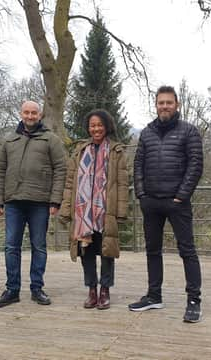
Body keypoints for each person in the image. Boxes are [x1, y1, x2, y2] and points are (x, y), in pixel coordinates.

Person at [128, 85, 204, 323]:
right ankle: (154, 296)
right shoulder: (147, 133)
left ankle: (193, 301)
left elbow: (195, 166)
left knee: (187, 251)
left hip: (177, 203)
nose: (164, 106)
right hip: (151, 202)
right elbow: (138, 165)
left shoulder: (189, 131)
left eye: (168, 102)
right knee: (152, 250)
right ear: (156, 105)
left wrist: (181, 196)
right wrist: (141, 194)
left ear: (177, 104)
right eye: (161, 103)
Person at [0, 100, 66, 307]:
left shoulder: (51, 139)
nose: (30, 116)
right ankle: (12, 290)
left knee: (39, 246)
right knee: (11, 247)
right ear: (21, 114)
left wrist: (55, 199)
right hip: (13, 201)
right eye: (26, 112)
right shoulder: (9, 140)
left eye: (34, 113)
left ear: (39, 115)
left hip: (40, 202)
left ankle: (37, 288)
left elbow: (61, 170)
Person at [59, 109, 128, 310]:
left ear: (106, 126)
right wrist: (66, 209)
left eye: (99, 125)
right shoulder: (79, 151)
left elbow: (122, 183)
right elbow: (70, 182)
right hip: (83, 212)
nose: (96, 128)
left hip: (106, 209)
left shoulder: (117, 151)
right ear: (88, 128)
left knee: (107, 250)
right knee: (86, 250)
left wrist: (121, 211)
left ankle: (105, 290)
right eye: (92, 125)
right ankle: (91, 289)